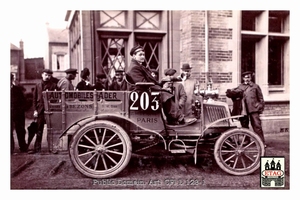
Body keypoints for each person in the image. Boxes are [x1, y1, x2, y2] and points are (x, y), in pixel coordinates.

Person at [127, 45, 188, 125]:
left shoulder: (139, 66)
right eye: (140, 55)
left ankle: (172, 119)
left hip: (144, 91)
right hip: (141, 93)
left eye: (143, 54)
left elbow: (150, 82)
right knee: (165, 95)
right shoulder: (134, 68)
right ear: (134, 56)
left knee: (167, 93)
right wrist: (161, 89)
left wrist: (162, 83)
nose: (143, 56)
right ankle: (178, 118)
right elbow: (143, 83)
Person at [226, 71, 266, 147]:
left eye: (248, 77)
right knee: (244, 125)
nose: (247, 79)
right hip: (243, 110)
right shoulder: (240, 87)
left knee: (257, 126)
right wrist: (230, 92)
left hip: (254, 109)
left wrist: (259, 107)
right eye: (245, 77)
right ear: (243, 78)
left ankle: (261, 142)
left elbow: (261, 98)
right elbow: (233, 94)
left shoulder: (255, 86)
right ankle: (246, 140)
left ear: (251, 78)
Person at [29, 69, 58, 154]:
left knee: (51, 130)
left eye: (49, 75)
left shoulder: (54, 85)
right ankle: (37, 148)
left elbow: (56, 98)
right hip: (40, 110)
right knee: (39, 129)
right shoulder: (37, 85)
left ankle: (52, 148)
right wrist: (35, 110)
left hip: (50, 110)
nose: (47, 77)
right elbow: (34, 99)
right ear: (42, 75)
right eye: (46, 75)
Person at [11, 73, 27, 153]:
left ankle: (23, 147)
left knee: (20, 130)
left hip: (18, 113)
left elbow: (23, 101)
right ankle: (10, 149)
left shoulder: (17, 89)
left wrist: (21, 110)